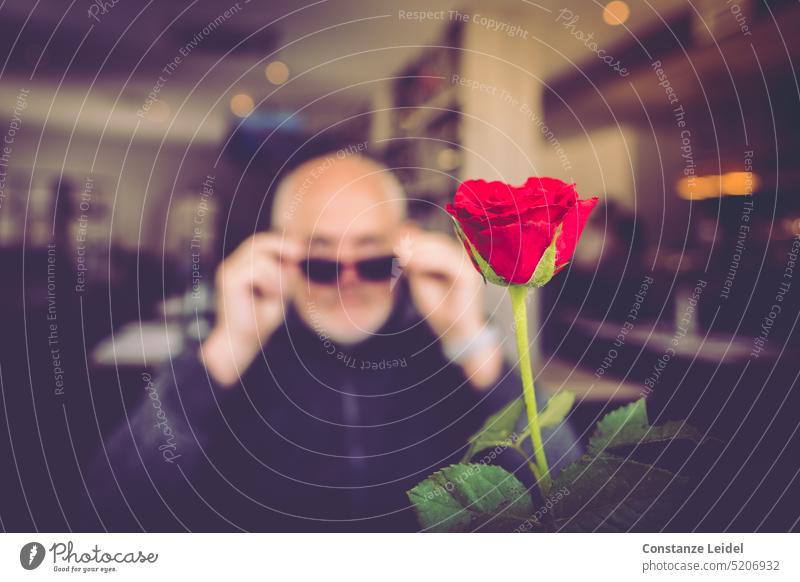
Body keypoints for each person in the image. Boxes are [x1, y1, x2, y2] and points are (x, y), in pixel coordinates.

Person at [89, 154, 575, 532]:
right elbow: (112, 504)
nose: (347, 282)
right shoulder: (236, 340)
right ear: (282, 251)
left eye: (371, 260)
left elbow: (571, 495)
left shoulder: (444, 343)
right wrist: (227, 349)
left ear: (403, 247)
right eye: (320, 263)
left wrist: (470, 340)